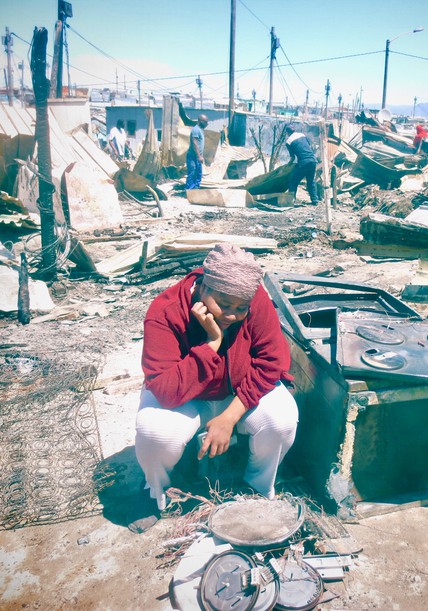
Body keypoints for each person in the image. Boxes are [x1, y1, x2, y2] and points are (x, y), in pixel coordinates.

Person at [134, 243, 298, 525]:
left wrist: (228, 418)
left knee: (281, 421)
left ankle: (256, 487)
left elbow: (272, 362)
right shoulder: (166, 310)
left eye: (240, 308)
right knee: (155, 434)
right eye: (223, 304)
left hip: (236, 392)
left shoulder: (253, 299)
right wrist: (211, 345)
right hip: (184, 394)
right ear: (203, 288)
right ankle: (157, 492)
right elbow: (164, 389)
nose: (231, 315)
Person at [284, 125, 320, 205]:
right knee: (311, 182)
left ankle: (291, 201)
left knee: (293, 181)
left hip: (303, 162)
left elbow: (292, 157)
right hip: (313, 161)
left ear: (287, 133)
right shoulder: (302, 135)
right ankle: (315, 200)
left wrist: (287, 165)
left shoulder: (288, 141)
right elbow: (308, 147)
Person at [186, 114, 209, 189]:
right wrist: (199, 156)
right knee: (192, 173)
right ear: (201, 121)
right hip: (193, 156)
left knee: (198, 173)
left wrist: (201, 156)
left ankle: (196, 189)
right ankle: (189, 190)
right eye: (205, 122)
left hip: (198, 157)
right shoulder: (195, 130)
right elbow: (194, 143)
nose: (207, 124)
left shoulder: (200, 130)